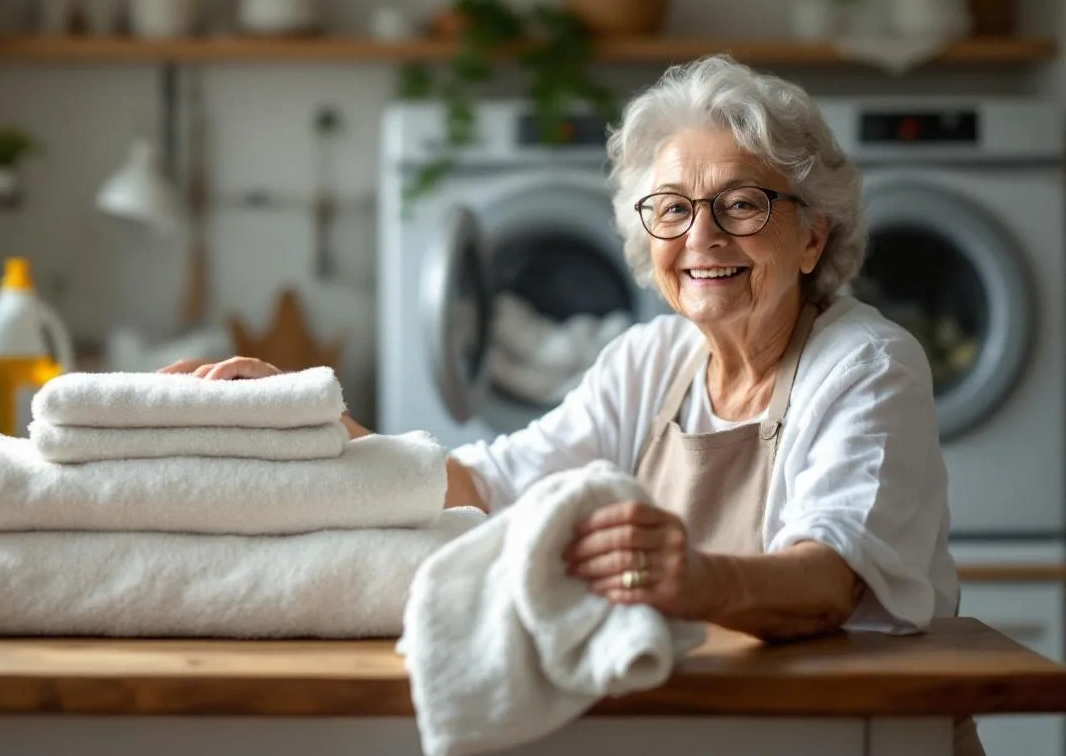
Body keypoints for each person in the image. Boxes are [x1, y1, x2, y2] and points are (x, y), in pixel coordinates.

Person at [163, 55, 977, 754]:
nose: (701, 237)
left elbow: (827, 582)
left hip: (862, 734)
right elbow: (489, 484)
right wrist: (313, 423)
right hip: (724, 725)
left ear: (813, 237)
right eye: (673, 209)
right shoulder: (652, 359)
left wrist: (690, 579)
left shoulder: (867, 366)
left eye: (742, 204)